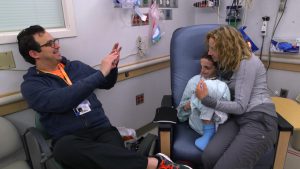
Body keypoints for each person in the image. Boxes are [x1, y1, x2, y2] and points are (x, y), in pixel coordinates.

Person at [17, 25, 192, 169]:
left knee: (113, 160)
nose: (57, 45)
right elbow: (61, 100)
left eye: (55, 41)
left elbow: (106, 83)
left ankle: (154, 164)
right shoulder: (32, 85)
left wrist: (112, 68)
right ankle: (154, 163)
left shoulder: (75, 67)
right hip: (71, 139)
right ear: (34, 54)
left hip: (101, 129)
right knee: (63, 150)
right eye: (50, 43)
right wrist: (101, 72)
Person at [195, 25, 278, 169]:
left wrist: (205, 100)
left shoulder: (247, 62)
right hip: (236, 118)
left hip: (258, 119)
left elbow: (240, 107)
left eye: (213, 48)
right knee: (209, 157)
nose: (209, 52)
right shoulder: (229, 65)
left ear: (226, 47)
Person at [177, 54, 230, 151]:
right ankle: (208, 134)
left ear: (217, 68)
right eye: (201, 66)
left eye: (207, 68)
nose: (202, 71)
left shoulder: (224, 85)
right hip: (197, 127)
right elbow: (180, 114)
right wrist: (189, 105)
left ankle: (210, 133)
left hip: (219, 129)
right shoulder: (194, 82)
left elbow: (226, 109)